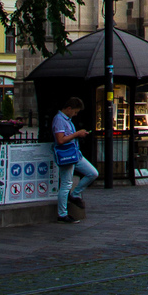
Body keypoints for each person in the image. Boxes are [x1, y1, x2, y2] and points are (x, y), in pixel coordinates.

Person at [52, 94, 98, 222]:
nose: (76, 114)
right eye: (75, 112)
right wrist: (77, 134)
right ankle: (62, 214)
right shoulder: (59, 120)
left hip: (75, 153)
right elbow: (60, 140)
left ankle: (75, 194)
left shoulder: (67, 120)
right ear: (69, 108)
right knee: (66, 183)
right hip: (67, 154)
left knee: (92, 173)